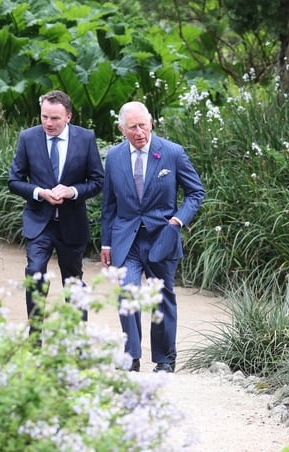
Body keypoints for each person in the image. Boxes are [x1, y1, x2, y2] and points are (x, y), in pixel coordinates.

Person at [100, 101, 205, 373]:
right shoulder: (113, 157)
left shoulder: (172, 153)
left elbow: (196, 192)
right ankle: (131, 356)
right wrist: (106, 242)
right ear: (122, 129)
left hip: (162, 237)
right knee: (128, 293)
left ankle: (164, 360)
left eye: (143, 125)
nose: (139, 132)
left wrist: (177, 220)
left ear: (151, 123)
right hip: (127, 239)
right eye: (132, 127)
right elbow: (109, 204)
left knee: (161, 296)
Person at [8, 90, 104, 338]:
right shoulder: (28, 138)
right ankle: (35, 336)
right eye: (44, 117)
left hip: (72, 222)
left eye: (55, 119)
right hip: (39, 221)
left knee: (73, 281)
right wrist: (39, 192)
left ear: (68, 117)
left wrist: (72, 191)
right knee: (36, 273)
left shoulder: (85, 139)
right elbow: (14, 181)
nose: (48, 123)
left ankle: (77, 341)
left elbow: (97, 181)